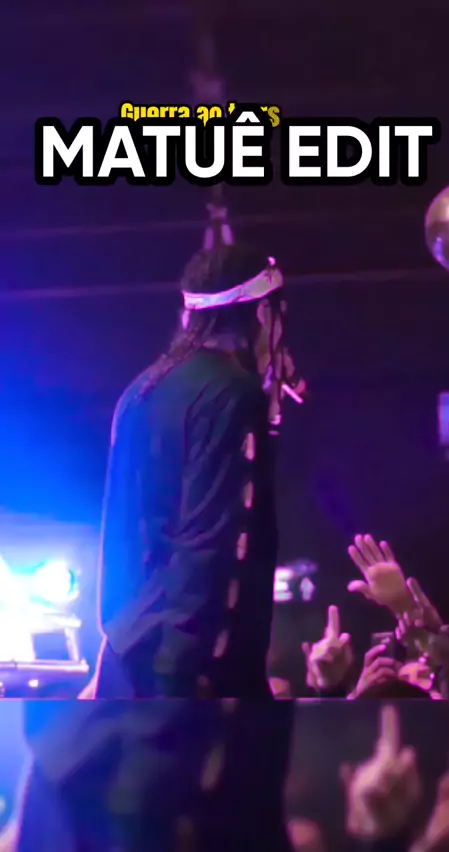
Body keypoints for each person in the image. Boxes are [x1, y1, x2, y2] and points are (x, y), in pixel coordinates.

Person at [17, 227, 304, 851]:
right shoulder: (231, 393)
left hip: (130, 666)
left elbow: (124, 549)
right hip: (193, 686)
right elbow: (217, 554)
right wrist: (198, 695)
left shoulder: (142, 389)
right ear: (261, 313)